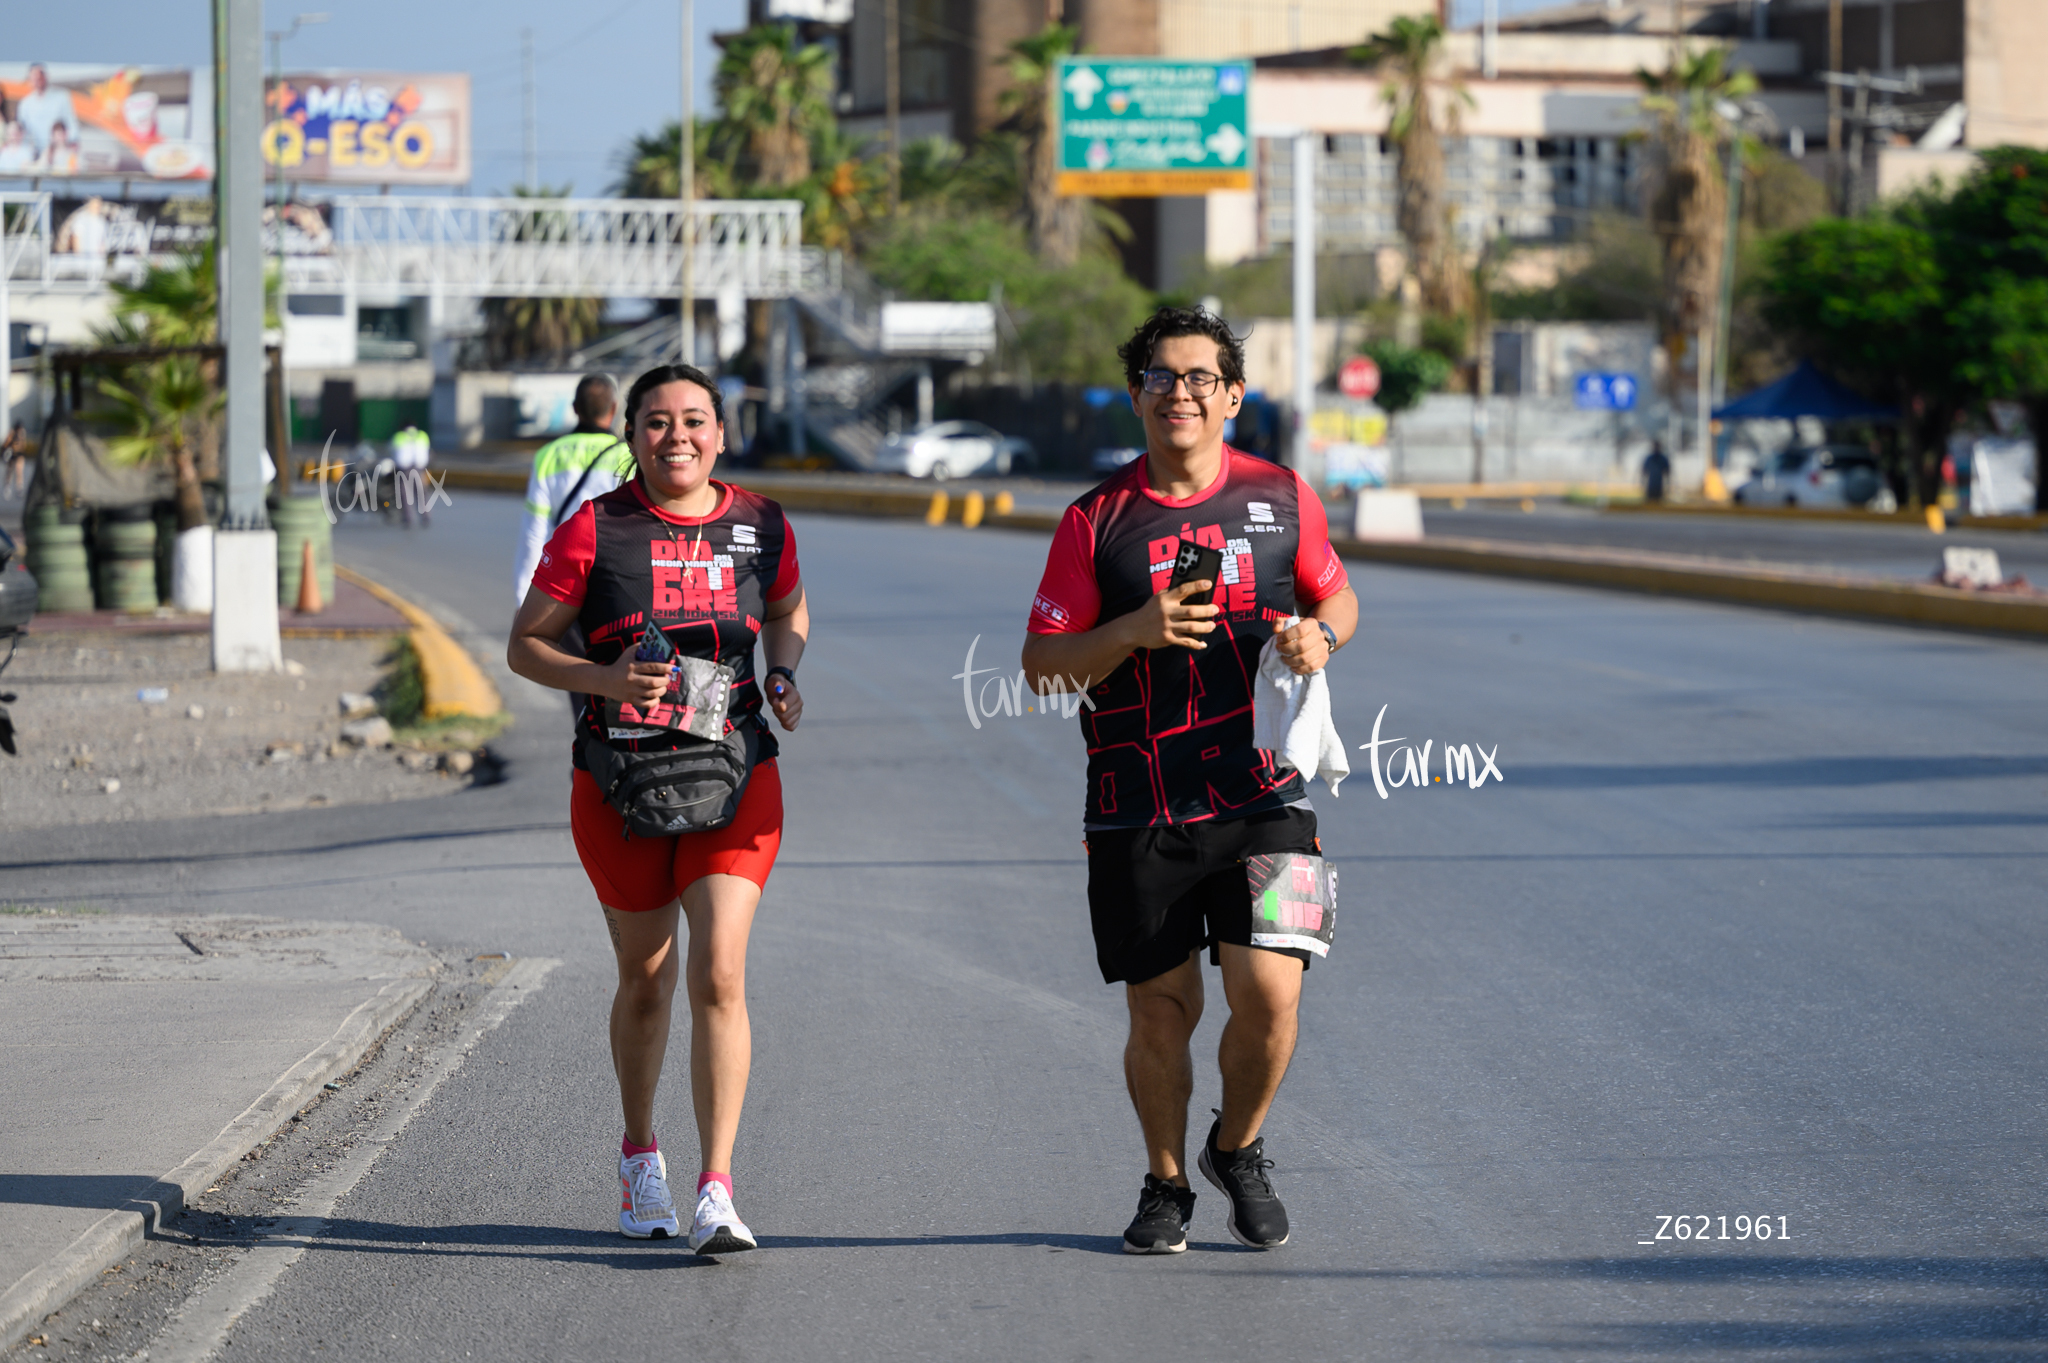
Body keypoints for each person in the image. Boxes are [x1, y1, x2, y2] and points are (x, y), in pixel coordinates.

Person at [1021, 306, 1359, 1255]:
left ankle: (1238, 1146)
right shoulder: (1097, 519)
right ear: (1137, 395)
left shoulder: (1282, 496)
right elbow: (1042, 664)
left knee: (1273, 994)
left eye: (1201, 377)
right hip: (1139, 803)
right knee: (1162, 1011)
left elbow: (1336, 591)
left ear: (1233, 395)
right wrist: (1131, 629)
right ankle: (1166, 1181)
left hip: (1265, 793)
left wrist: (1319, 634)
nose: (1181, 392)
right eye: (1162, 377)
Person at [507, 363, 807, 1256]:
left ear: (722, 431)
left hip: (737, 770)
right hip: (622, 786)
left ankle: (717, 1188)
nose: (677, 436)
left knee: (719, 970)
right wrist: (603, 678)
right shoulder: (596, 530)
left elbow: (788, 610)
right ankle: (642, 1155)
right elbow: (526, 644)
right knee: (647, 981)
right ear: (631, 434)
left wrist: (783, 673)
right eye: (658, 422)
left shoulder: (761, 524)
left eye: (695, 421)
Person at [511, 374, 631, 604]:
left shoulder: (548, 456)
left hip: (562, 582)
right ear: (614, 408)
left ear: (575, 408)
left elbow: (533, 534)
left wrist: (523, 601)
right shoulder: (628, 457)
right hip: (613, 580)